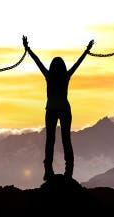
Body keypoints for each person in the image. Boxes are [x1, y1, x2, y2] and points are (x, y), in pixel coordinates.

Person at [23, 36, 94, 181]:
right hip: (64, 110)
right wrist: (87, 50)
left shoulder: (49, 76)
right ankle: (68, 171)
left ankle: (48, 171)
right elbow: (77, 64)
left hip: (51, 111)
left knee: (51, 140)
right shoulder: (65, 76)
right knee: (65, 139)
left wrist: (27, 49)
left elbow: (37, 62)